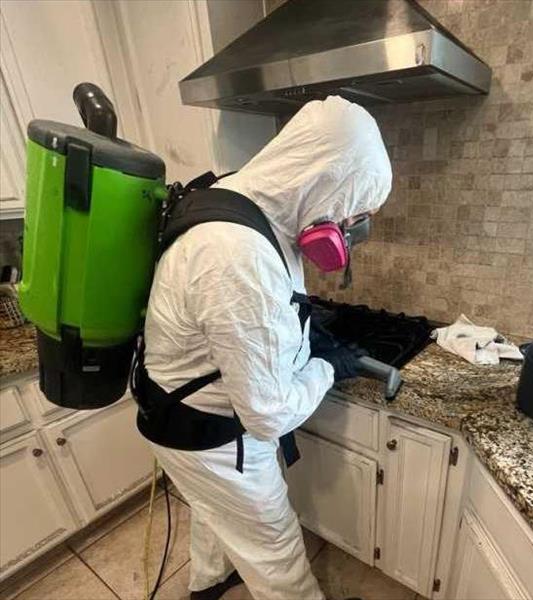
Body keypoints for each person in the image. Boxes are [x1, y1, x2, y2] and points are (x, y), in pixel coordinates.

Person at [142, 96, 392, 600]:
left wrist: (301, 333)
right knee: (274, 544)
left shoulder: (252, 204)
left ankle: (208, 582)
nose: (343, 230)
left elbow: (257, 316)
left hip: (183, 410)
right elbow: (269, 416)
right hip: (208, 431)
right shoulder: (235, 254)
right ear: (325, 178)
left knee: (218, 510)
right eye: (347, 212)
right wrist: (326, 366)